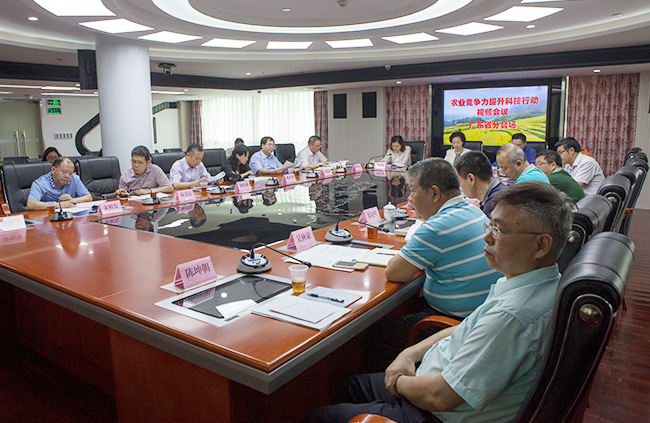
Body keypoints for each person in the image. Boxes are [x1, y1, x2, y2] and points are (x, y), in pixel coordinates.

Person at [307, 182, 573, 423]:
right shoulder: (533, 283)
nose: (487, 237)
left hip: (435, 411)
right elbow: (463, 329)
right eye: (490, 225)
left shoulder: (512, 316)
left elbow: (440, 397)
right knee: (351, 386)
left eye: (499, 230)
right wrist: (409, 354)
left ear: (541, 245)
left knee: (319, 417)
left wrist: (397, 381)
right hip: (432, 377)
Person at [366, 158, 501, 370]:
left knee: (376, 334)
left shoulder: (436, 227)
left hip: (453, 324)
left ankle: (382, 384)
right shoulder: (474, 210)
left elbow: (394, 272)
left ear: (435, 193)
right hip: (480, 319)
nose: (409, 199)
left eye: (413, 191)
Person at [27, 157, 92, 210]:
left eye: (70, 173)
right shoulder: (40, 183)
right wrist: (58, 205)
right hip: (49, 218)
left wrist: (73, 200)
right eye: (64, 172)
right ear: (53, 170)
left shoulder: (74, 179)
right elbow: (30, 204)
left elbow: (88, 197)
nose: (67, 176)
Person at [454, 151, 507, 217]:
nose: (460, 187)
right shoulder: (500, 190)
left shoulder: (493, 204)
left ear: (471, 178)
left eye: (460, 182)